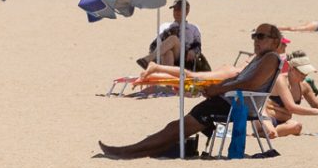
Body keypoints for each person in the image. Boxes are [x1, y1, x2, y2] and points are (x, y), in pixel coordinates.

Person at [99, 24, 288, 159]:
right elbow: (241, 80)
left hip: (233, 104)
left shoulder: (270, 58)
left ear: (275, 41)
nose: (256, 40)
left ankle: (128, 152)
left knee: (177, 128)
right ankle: (136, 151)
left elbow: (250, 83)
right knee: (177, 127)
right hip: (228, 101)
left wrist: (219, 88)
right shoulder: (261, 58)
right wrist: (215, 88)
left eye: (261, 37)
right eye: (255, 36)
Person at [140, 0, 205, 69]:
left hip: (185, 57)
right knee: (168, 53)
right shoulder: (165, 26)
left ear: (187, 11)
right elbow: (154, 44)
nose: (177, 12)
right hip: (165, 57)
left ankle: (148, 59)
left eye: (180, 9)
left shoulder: (193, 28)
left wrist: (193, 52)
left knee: (173, 39)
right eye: (175, 9)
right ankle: (169, 76)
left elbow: (198, 46)